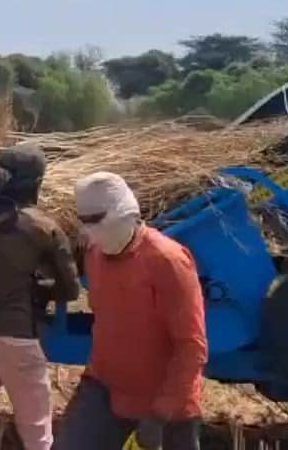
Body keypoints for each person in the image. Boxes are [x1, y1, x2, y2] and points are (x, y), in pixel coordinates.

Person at [54, 172, 208, 450]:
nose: (93, 235)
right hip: (105, 389)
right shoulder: (94, 255)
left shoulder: (167, 261)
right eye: (87, 226)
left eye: (100, 225)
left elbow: (192, 347)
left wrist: (160, 416)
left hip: (165, 406)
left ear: (128, 216)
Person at [0, 144, 82, 450]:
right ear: (35, 183)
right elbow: (71, 289)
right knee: (37, 436)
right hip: (19, 342)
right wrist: (39, 291)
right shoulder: (44, 227)